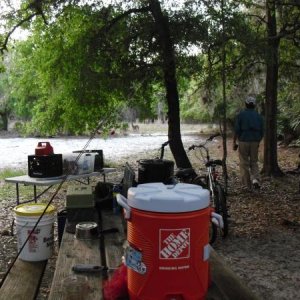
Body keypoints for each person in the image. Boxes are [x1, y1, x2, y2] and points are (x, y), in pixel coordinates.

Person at [233, 96, 264, 191]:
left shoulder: (240, 115)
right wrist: (258, 141)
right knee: (254, 162)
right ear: (254, 105)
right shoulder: (259, 117)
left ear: (246, 104)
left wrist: (234, 142)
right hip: (255, 141)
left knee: (244, 163)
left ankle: (247, 185)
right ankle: (256, 179)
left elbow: (237, 130)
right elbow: (262, 131)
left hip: (243, 141)